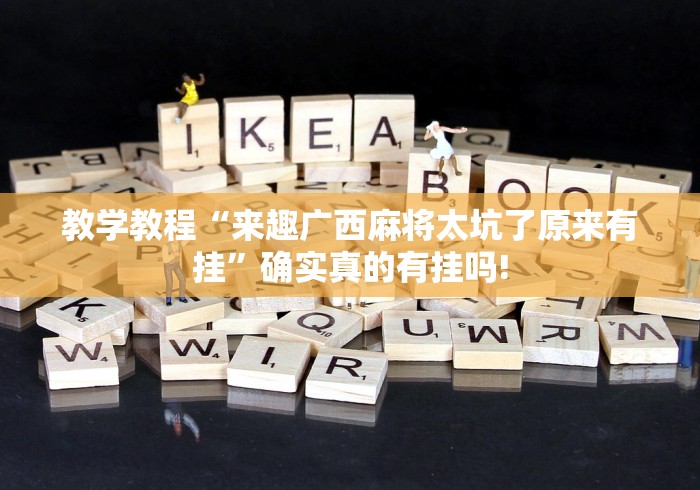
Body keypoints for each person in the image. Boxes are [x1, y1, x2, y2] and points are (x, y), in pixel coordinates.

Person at [667, 218, 700, 297]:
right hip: (688, 258)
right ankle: (686, 287)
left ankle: (691, 291)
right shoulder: (691, 233)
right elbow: (681, 232)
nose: (695, 225)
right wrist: (672, 226)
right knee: (687, 274)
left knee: (693, 276)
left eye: (697, 224)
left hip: (697, 261)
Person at [163, 240, 188, 306]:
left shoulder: (180, 244)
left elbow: (188, 238)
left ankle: (181, 297)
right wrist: (173, 255)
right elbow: (165, 260)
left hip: (176, 264)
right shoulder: (166, 246)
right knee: (169, 283)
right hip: (168, 266)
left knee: (182, 279)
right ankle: (168, 299)